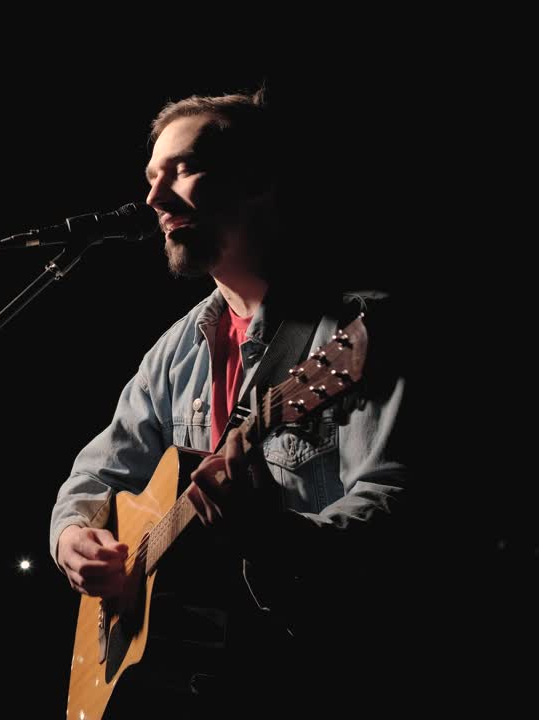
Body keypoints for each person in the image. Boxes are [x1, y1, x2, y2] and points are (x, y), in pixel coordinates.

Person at [49, 89, 413, 717]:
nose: (155, 199)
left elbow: (396, 509)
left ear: (259, 179)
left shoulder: (352, 333)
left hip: (330, 674)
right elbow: (97, 475)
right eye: (151, 177)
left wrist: (274, 541)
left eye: (184, 169)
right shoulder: (175, 351)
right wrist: (73, 537)